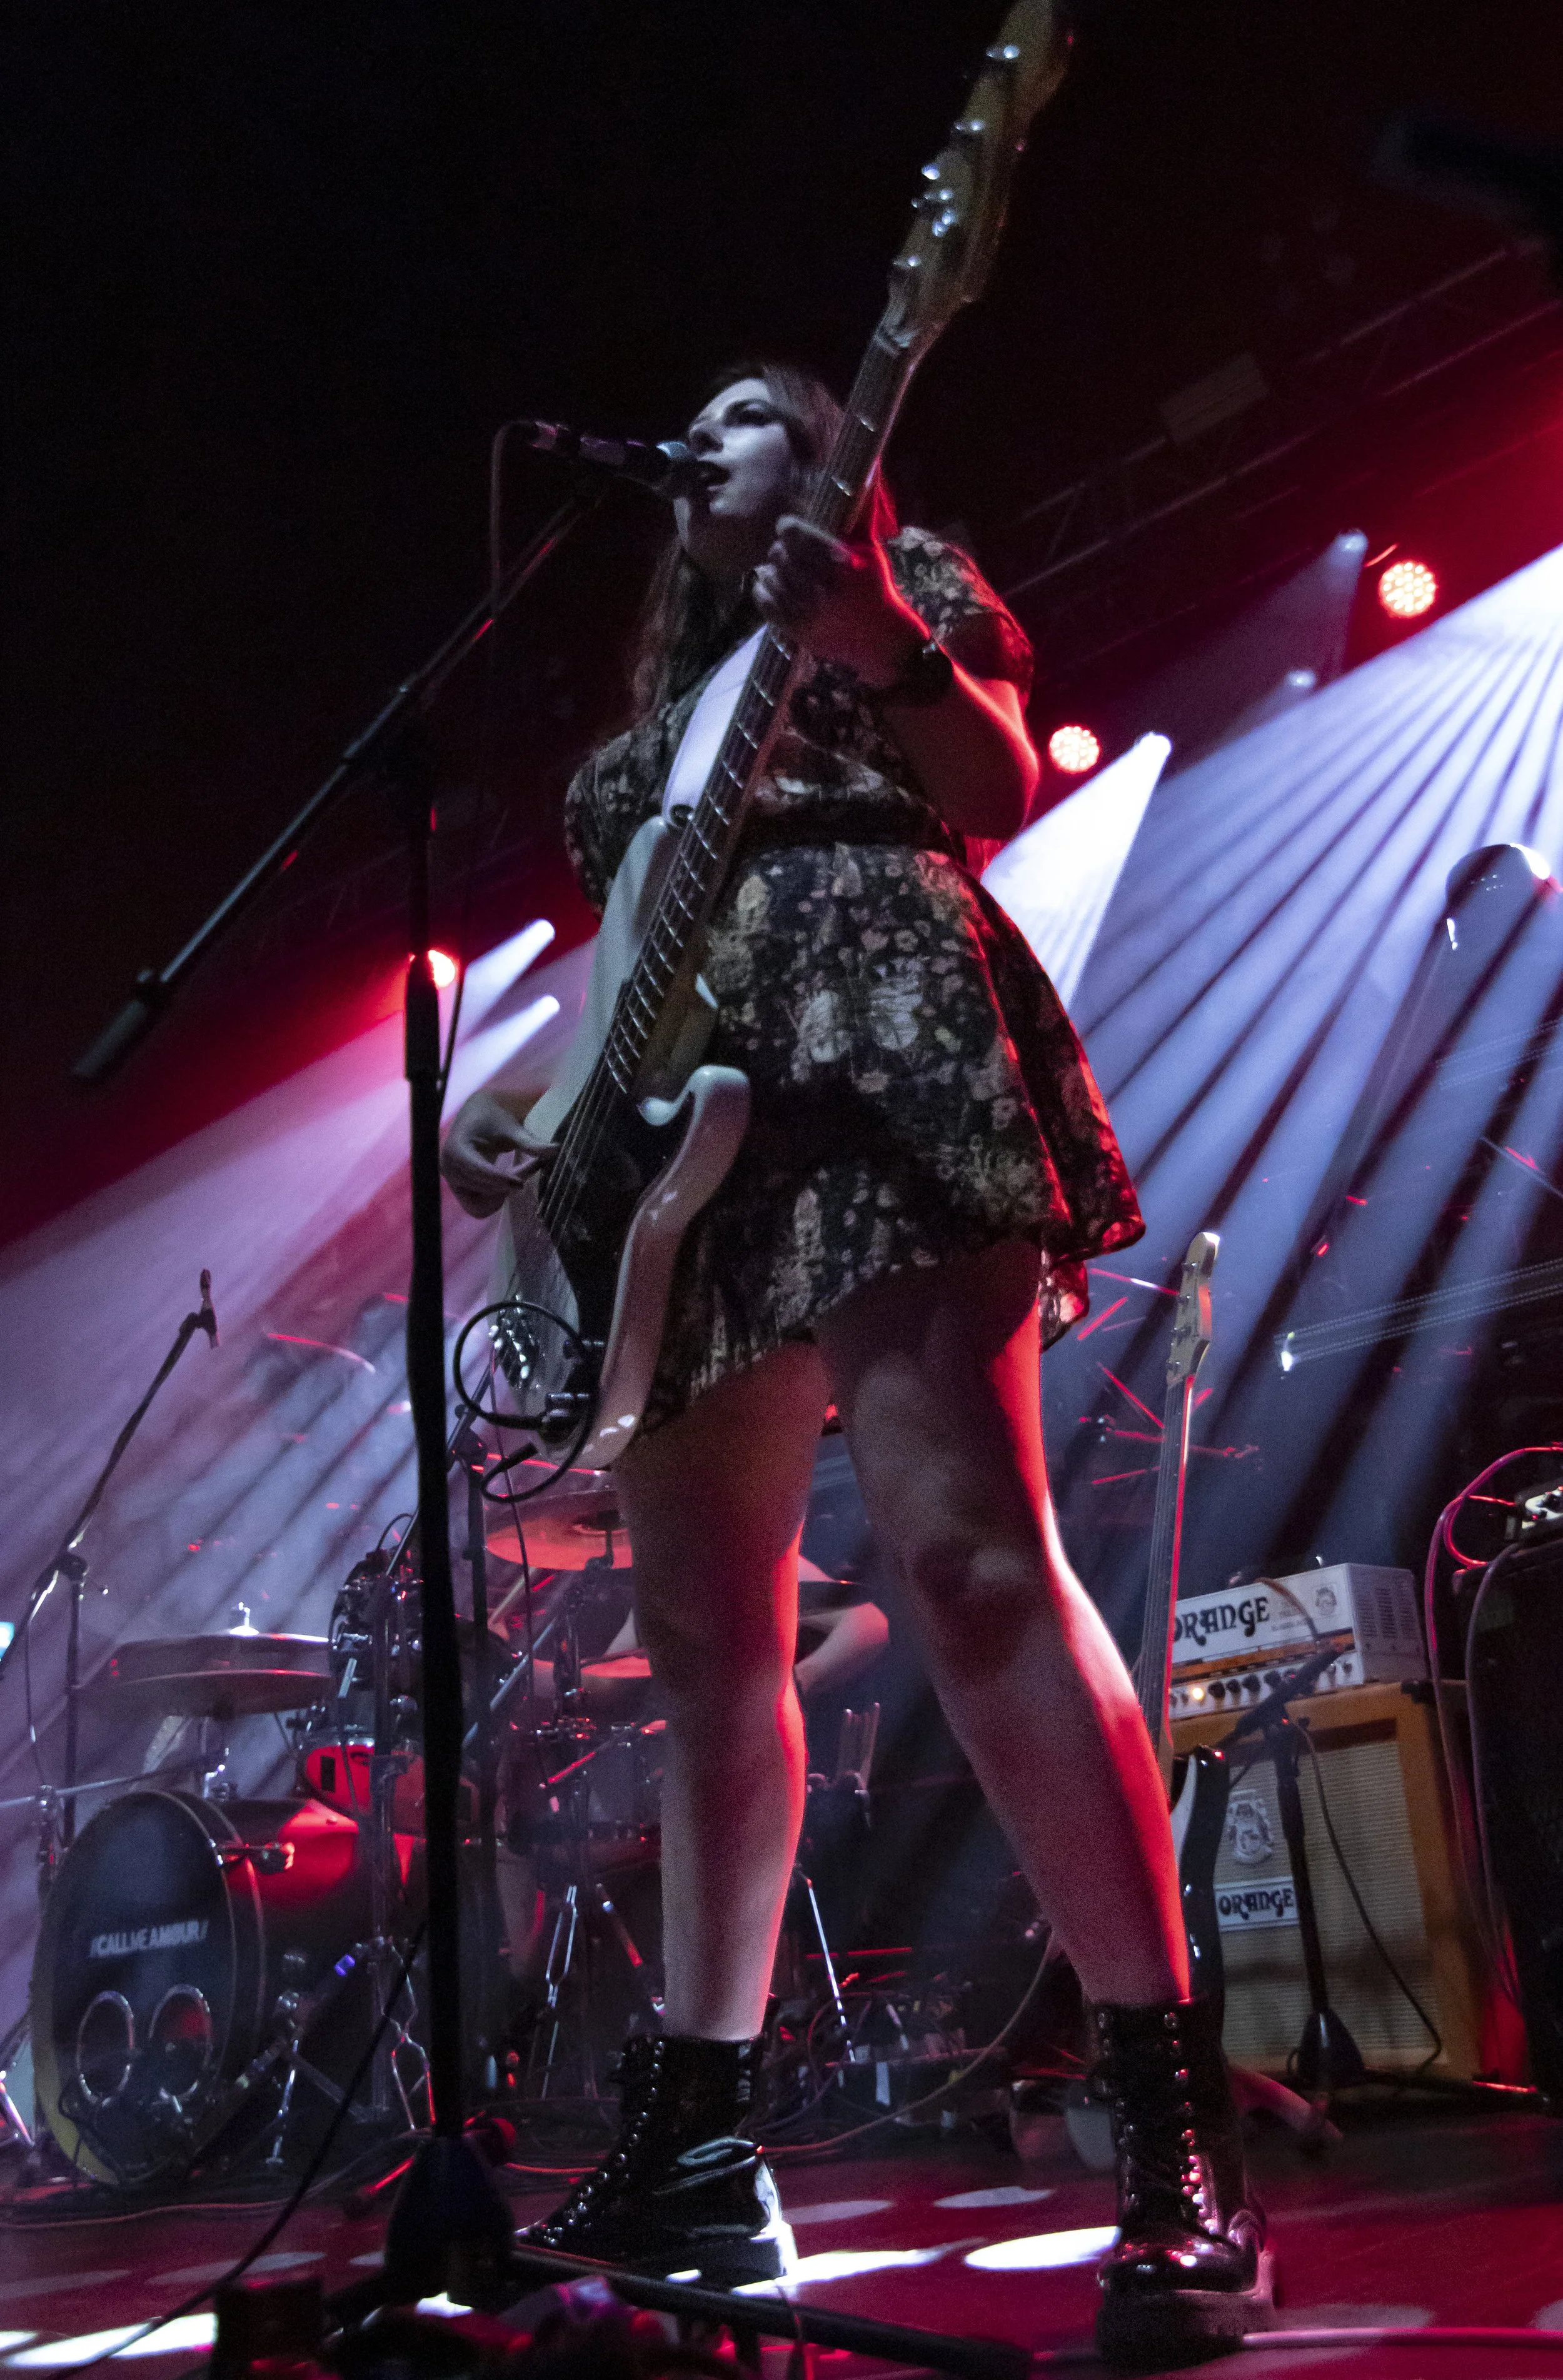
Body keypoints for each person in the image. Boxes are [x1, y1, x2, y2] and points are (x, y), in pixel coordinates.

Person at [441, 364, 1274, 2365]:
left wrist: (878, 635)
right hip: (671, 1161)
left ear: (825, 445)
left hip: (884, 1041)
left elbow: (992, 785)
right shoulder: (649, 733)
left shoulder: (899, 587)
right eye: (697, 417)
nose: (705, 427)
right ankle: (695, 2149)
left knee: (972, 1559)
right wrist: (534, 1100)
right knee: (708, 1648)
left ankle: (1168, 2134)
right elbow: (653, 946)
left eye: (751, 407)